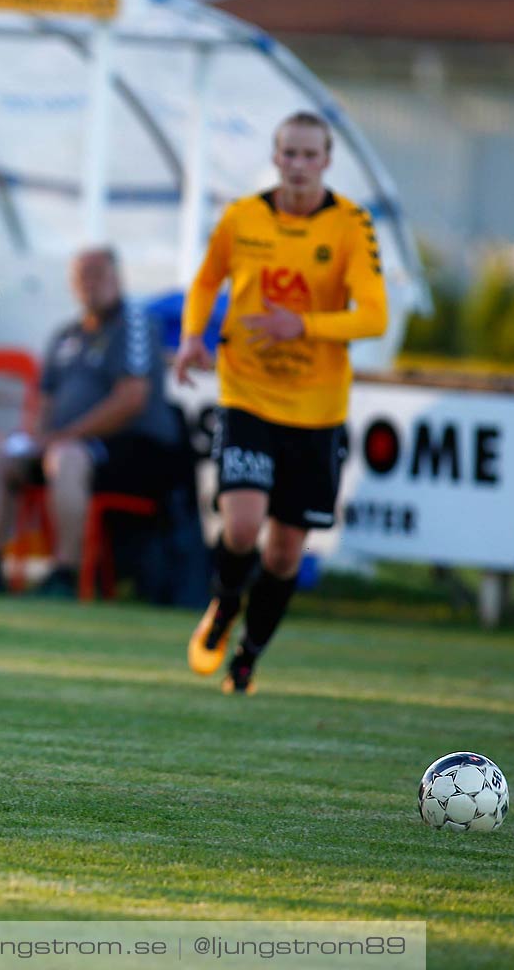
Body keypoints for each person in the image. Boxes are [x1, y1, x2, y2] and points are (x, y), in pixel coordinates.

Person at [173, 111, 388, 694]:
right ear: (274, 157)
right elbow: (204, 281)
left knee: (286, 551)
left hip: (316, 412)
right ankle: (222, 606)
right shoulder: (243, 218)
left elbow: (374, 313)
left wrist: (305, 325)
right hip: (246, 393)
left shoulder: (350, 225)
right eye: (288, 154)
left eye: (308, 155)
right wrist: (194, 335)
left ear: (326, 161)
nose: (297, 165)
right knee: (241, 525)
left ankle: (249, 654)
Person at [0, 246, 185, 598]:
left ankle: (66, 573)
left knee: (67, 457)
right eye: (82, 276)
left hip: (133, 449)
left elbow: (132, 398)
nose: (89, 284)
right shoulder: (66, 334)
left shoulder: (134, 324)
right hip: (62, 443)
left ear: (116, 278)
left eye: (98, 274)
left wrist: (63, 437)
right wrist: (36, 438)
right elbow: (45, 400)